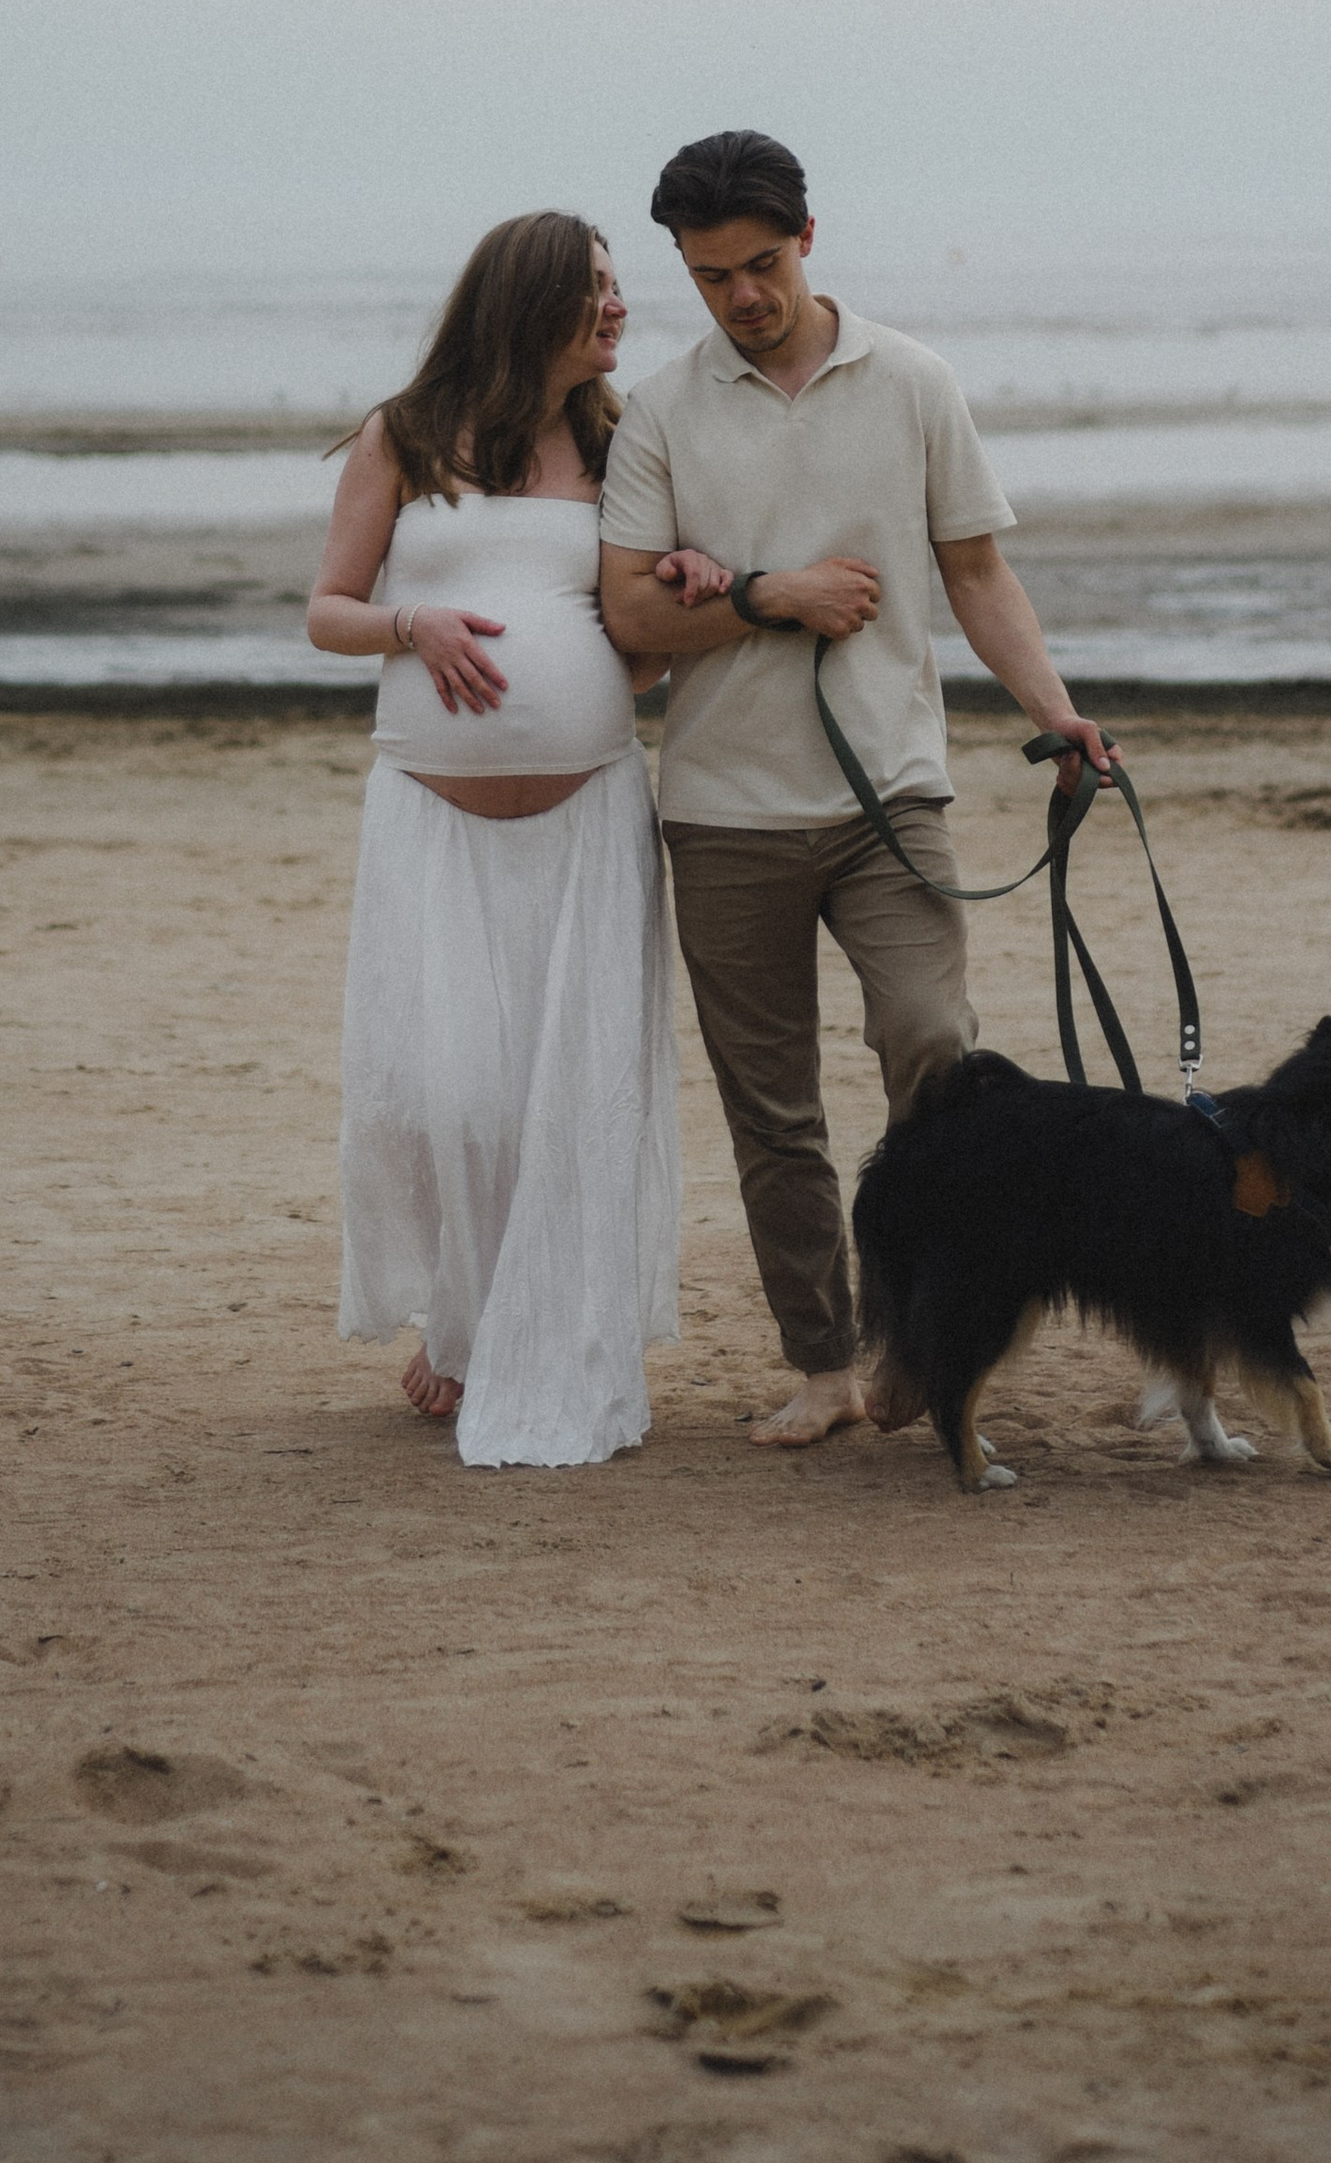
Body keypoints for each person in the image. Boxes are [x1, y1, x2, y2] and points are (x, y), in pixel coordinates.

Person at [596, 130, 1116, 1448]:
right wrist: (772, 595)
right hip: (721, 810)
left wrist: (1057, 716)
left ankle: (922, 1340)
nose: (741, 295)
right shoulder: (659, 410)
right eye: (710, 275)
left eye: (760, 264)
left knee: (933, 1050)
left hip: (892, 792)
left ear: (808, 238)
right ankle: (826, 1363)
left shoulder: (914, 380)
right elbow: (629, 617)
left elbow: (977, 573)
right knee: (772, 1113)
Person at [307, 210, 720, 1469]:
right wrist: (412, 625)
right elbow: (327, 610)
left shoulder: (621, 440)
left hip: (589, 816)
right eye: (596, 286)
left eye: (618, 285)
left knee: (579, 1098)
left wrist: (685, 591)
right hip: (431, 819)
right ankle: (465, 1312)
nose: (620, 305)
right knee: (456, 1094)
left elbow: (635, 652)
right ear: (531, 300)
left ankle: (539, 1336)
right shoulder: (404, 433)